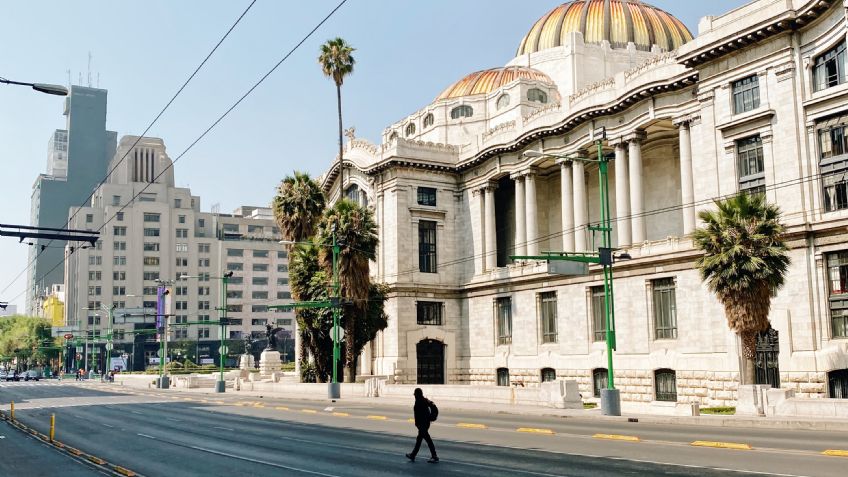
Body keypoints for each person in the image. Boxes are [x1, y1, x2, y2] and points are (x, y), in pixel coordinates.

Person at [406, 388, 438, 463]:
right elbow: (432, 405)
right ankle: (413, 455)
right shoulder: (424, 400)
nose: (414, 395)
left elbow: (419, 415)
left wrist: (431, 417)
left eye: (415, 394)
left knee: (428, 440)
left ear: (417, 394)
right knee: (419, 440)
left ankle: (434, 456)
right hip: (424, 424)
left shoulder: (420, 401)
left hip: (423, 425)